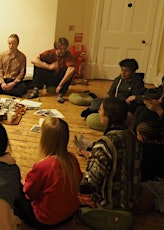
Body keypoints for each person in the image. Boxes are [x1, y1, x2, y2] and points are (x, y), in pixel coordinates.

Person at [77, 97, 141, 230]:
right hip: (130, 197)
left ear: (108, 116)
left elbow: (89, 183)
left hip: (110, 201)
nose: (99, 112)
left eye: (100, 110)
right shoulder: (131, 136)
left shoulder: (105, 144)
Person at [14, 117, 83, 229]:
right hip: (69, 214)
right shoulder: (72, 159)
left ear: (44, 139)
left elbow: (29, 193)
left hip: (45, 221)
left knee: (15, 185)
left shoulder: (42, 166)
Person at [28, 37, 76, 103]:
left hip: (60, 80)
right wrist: (48, 67)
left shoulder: (68, 55)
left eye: (64, 49)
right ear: (56, 48)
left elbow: (72, 69)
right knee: (38, 65)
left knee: (71, 70)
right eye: (60, 49)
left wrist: (60, 85)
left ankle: (61, 93)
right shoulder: (50, 53)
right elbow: (34, 60)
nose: (63, 51)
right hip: (50, 78)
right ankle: (36, 90)